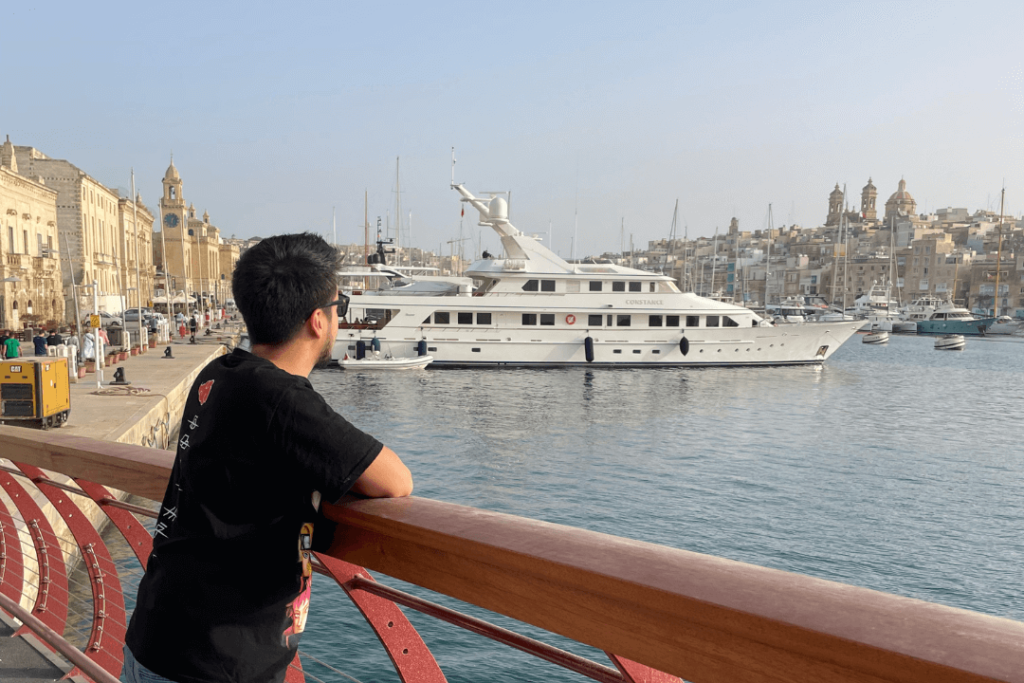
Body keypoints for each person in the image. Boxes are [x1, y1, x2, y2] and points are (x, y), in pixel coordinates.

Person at [123, 233, 412, 683]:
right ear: (318, 320)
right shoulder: (280, 400)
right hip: (214, 664)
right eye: (342, 306)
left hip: (158, 636)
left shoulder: (219, 373)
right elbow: (396, 481)